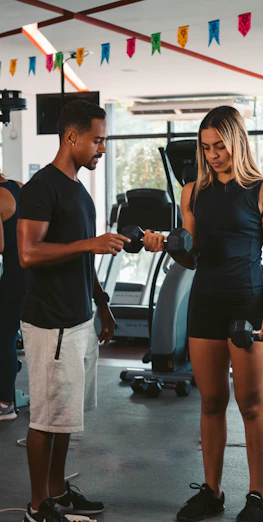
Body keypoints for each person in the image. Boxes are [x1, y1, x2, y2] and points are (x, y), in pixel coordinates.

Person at [143, 106, 263, 522]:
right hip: (204, 300)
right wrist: (166, 243)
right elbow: (191, 256)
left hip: (247, 300)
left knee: (250, 402)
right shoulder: (191, 192)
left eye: (219, 146)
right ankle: (212, 491)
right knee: (210, 400)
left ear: (237, 142)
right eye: (206, 148)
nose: (212, 155)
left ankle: (258, 496)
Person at [17, 100, 130, 522]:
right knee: (46, 417)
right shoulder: (41, 187)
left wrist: (101, 304)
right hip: (51, 323)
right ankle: (36, 505)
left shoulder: (78, 191)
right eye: (97, 140)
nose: (102, 148)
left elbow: (85, 257)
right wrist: (90, 244)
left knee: (66, 416)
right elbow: (28, 253)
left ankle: (58, 490)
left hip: (79, 316)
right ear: (72, 136)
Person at [0, 172, 25, 420]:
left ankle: (4, 403)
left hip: (15, 273)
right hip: (34, 269)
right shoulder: (18, 186)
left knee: (4, 335)